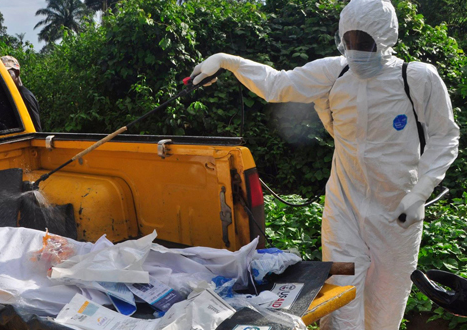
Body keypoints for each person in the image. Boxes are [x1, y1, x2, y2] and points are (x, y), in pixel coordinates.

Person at [190, 0, 459, 329]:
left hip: (397, 214)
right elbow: (278, 85)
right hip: (345, 207)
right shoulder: (334, 72)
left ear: (385, 38)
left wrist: (420, 192)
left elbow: (445, 137)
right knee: (341, 298)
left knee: (386, 303)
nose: (355, 49)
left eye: (364, 41)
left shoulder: (415, 78)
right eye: (349, 40)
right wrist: (228, 62)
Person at [1, 56, 42, 131]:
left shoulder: (25, 96)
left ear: (16, 73)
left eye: (7, 73)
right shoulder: (12, 94)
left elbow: (36, 130)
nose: (4, 78)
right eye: (2, 74)